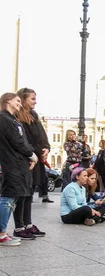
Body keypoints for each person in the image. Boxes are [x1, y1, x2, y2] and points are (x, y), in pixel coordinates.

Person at [0, 93, 38, 246]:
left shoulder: (12, 119)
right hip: (12, 164)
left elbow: (23, 140)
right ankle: (1, 233)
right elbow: (17, 141)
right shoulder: (4, 118)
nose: (20, 104)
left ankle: (3, 232)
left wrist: (30, 155)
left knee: (13, 198)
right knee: (8, 197)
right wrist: (31, 155)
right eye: (17, 101)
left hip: (18, 163)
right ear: (8, 101)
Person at [13, 88, 48, 239]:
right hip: (26, 159)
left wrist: (46, 148)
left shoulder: (34, 115)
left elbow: (42, 134)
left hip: (37, 159)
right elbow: (22, 140)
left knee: (29, 192)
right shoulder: (17, 116)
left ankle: (27, 224)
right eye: (32, 98)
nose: (35, 101)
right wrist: (32, 153)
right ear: (23, 99)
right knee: (22, 193)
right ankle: (19, 227)